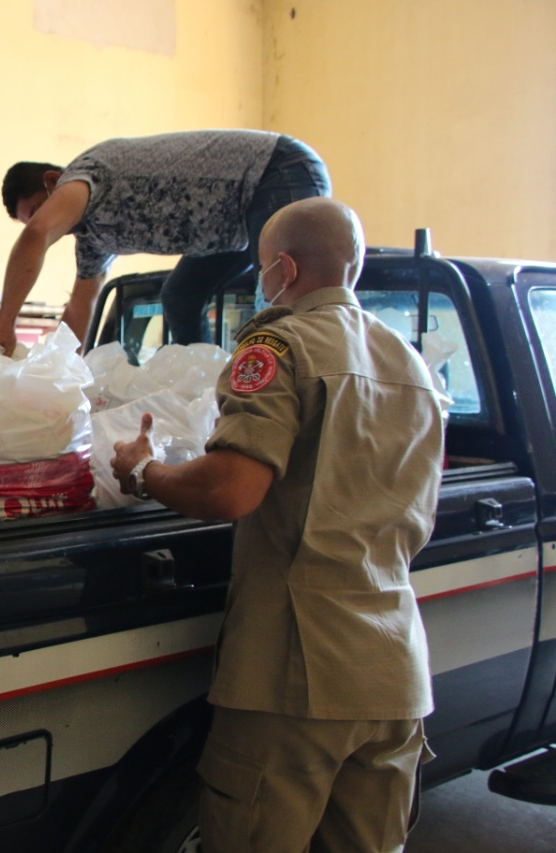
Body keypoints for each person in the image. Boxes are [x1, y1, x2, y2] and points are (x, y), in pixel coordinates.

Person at [110, 198, 444, 851]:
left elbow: (232, 488)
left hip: (295, 675)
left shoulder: (278, 342)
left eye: (263, 269)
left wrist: (145, 469)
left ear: (283, 268)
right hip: (395, 669)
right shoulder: (413, 367)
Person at [0, 129, 331, 353]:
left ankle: (288, 396)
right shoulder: (91, 236)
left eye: (36, 209)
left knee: (279, 292)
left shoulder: (87, 172)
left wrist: (4, 325)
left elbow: (37, 234)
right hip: (232, 223)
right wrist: (56, 374)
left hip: (276, 171)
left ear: (53, 182)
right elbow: (80, 309)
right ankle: (201, 391)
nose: (40, 221)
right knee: (180, 295)